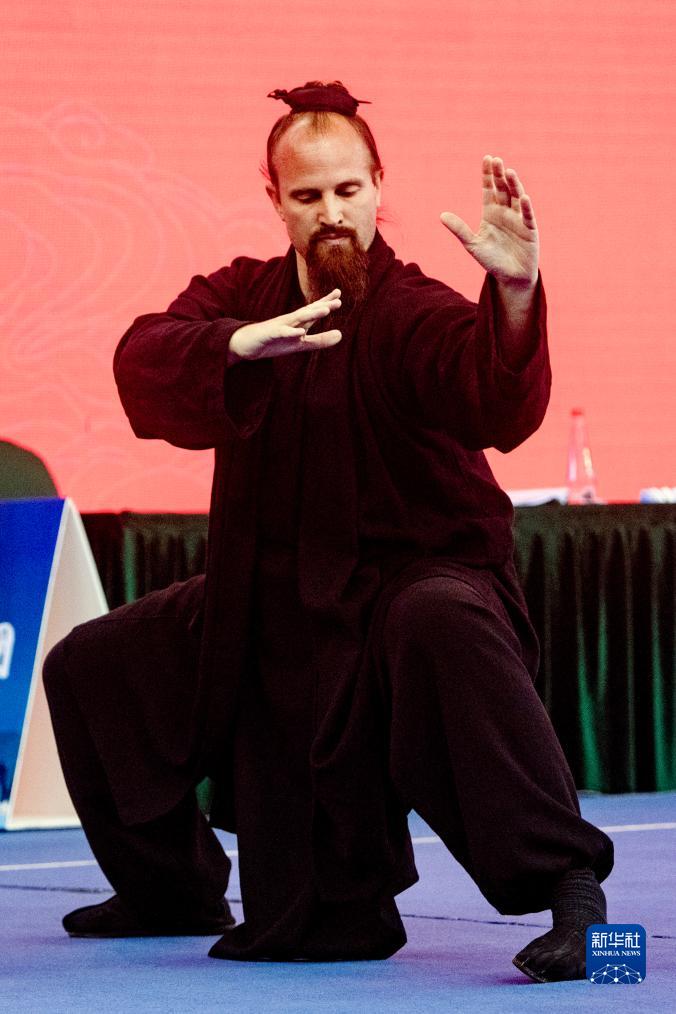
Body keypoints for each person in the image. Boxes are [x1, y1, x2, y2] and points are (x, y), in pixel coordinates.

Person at [44, 81, 613, 981]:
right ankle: (169, 889)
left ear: (380, 185)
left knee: (440, 618)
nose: (332, 212)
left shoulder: (409, 308)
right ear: (275, 200)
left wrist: (513, 292)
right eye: (308, 195)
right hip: (271, 604)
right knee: (91, 664)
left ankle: (576, 898)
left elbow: (491, 396)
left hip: (408, 586)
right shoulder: (243, 294)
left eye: (348, 189)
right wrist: (234, 345)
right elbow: (143, 355)